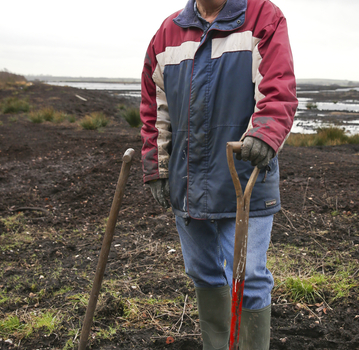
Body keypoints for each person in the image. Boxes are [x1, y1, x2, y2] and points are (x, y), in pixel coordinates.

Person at [140, 0, 297, 348]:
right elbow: (154, 108)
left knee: (250, 277)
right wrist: (156, 167)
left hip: (245, 175)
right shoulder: (167, 34)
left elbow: (279, 89)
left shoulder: (263, 18)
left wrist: (264, 134)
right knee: (203, 272)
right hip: (187, 180)